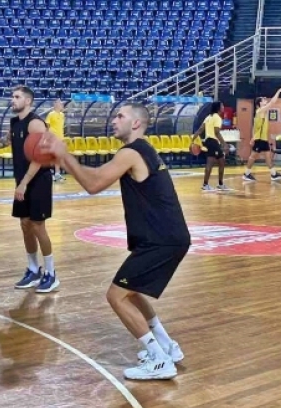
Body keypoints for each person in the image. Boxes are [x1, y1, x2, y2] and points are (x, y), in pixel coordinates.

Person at [40, 102, 190, 380]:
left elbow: (94, 184)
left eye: (120, 116)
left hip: (161, 239)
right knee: (131, 291)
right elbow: (97, 176)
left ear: (136, 123)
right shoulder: (142, 150)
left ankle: (159, 360)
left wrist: (64, 156)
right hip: (166, 237)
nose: (113, 120)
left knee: (116, 295)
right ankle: (167, 346)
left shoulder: (131, 152)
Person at [0, 86, 59, 293]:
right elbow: (7, 140)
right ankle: (33, 270)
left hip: (38, 180)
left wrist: (24, 183)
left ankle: (51, 274)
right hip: (23, 179)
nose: (13, 100)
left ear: (28, 101)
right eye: (13, 96)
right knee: (25, 224)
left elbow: (40, 156)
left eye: (17, 96)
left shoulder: (36, 124)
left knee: (38, 226)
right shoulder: (15, 122)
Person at [243, 88, 281, 182]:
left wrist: (253, 137)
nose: (265, 99)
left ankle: (273, 174)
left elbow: (255, 126)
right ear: (260, 103)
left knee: (268, 157)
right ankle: (246, 174)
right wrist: (279, 91)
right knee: (253, 156)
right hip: (259, 139)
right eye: (263, 99)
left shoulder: (262, 111)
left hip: (263, 139)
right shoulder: (260, 111)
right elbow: (272, 102)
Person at [192, 101, 230, 192]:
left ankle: (220, 184)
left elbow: (200, 129)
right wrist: (224, 144)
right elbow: (217, 132)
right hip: (213, 142)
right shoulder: (217, 118)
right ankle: (205, 185)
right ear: (218, 108)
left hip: (209, 141)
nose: (223, 107)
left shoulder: (208, 117)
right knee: (210, 163)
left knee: (222, 161)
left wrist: (193, 139)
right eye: (222, 106)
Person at [44, 99, 66, 182]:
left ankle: (57, 173)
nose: (62, 105)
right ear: (56, 105)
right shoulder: (51, 114)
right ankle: (48, 173)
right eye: (60, 103)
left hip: (60, 138)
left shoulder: (62, 115)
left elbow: (61, 128)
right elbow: (47, 127)